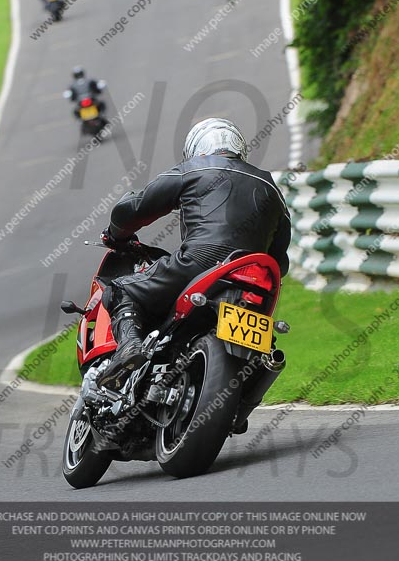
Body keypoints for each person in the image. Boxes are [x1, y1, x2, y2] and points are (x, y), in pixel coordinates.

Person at [98, 117, 291, 388]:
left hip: (201, 262)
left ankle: (129, 347)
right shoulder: (272, 188)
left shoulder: (194, 169)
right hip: (259, 279)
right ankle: (248, 389)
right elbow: (280, 258)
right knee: (267, 346)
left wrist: (117, 233)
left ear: (197, 149)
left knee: (121, 290)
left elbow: (137, 207)